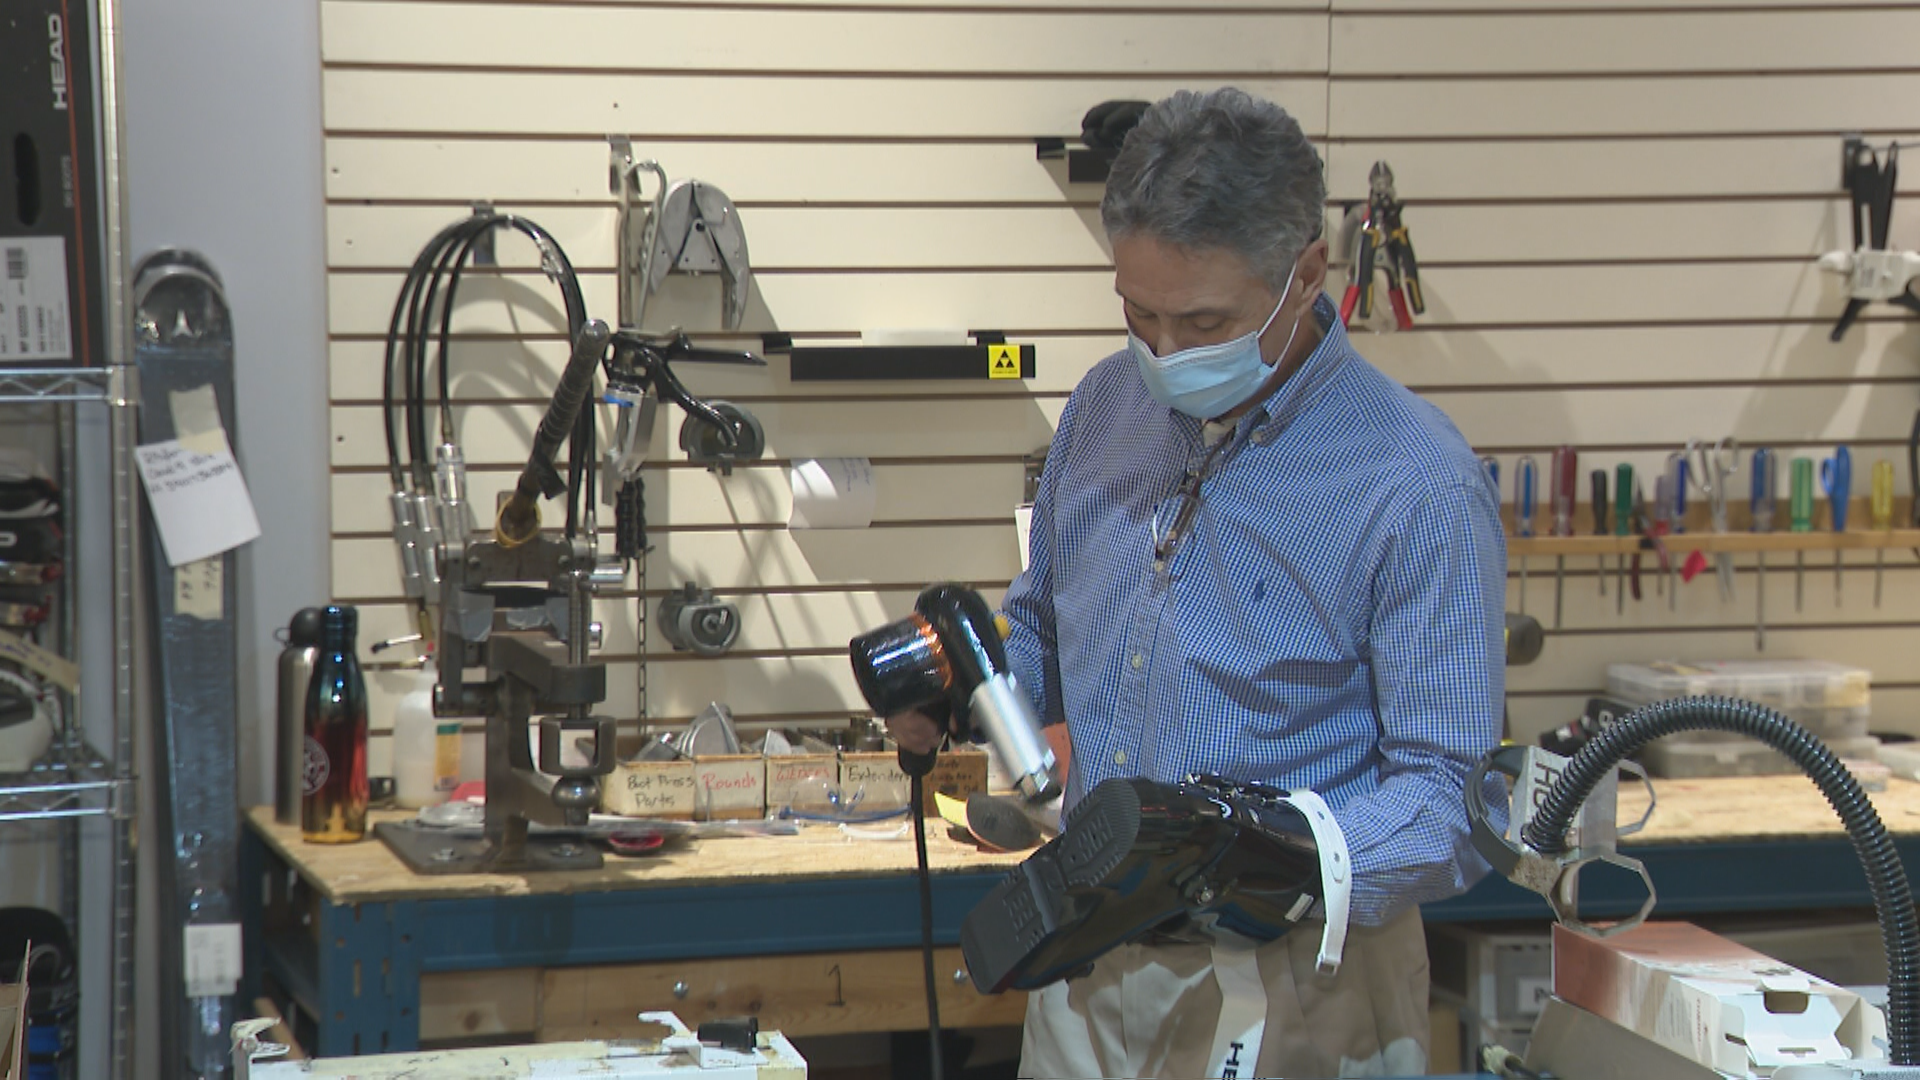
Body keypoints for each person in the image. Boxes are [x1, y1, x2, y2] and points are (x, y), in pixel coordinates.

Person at [887, 87, 1505, 1078]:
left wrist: (1264, 851)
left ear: (1308, 273)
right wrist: (969, 686)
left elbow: (1452, 803)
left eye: (1206, 320)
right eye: (1139, 313)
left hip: (1300, 980)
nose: (1165, 353)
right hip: (1085, 965)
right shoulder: (1104, 406)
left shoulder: (1415, 483)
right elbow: (1043, 627)